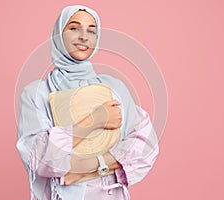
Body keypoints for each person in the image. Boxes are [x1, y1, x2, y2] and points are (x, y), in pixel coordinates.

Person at [16, 5, 159, 200]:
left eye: (91, 31)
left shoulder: (114, 87)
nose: (84, 36)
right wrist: (95, 120)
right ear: (58, 35)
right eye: (74, 28)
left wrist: (83, 169)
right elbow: (40, 158)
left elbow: (144, 145)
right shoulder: (37, 93)